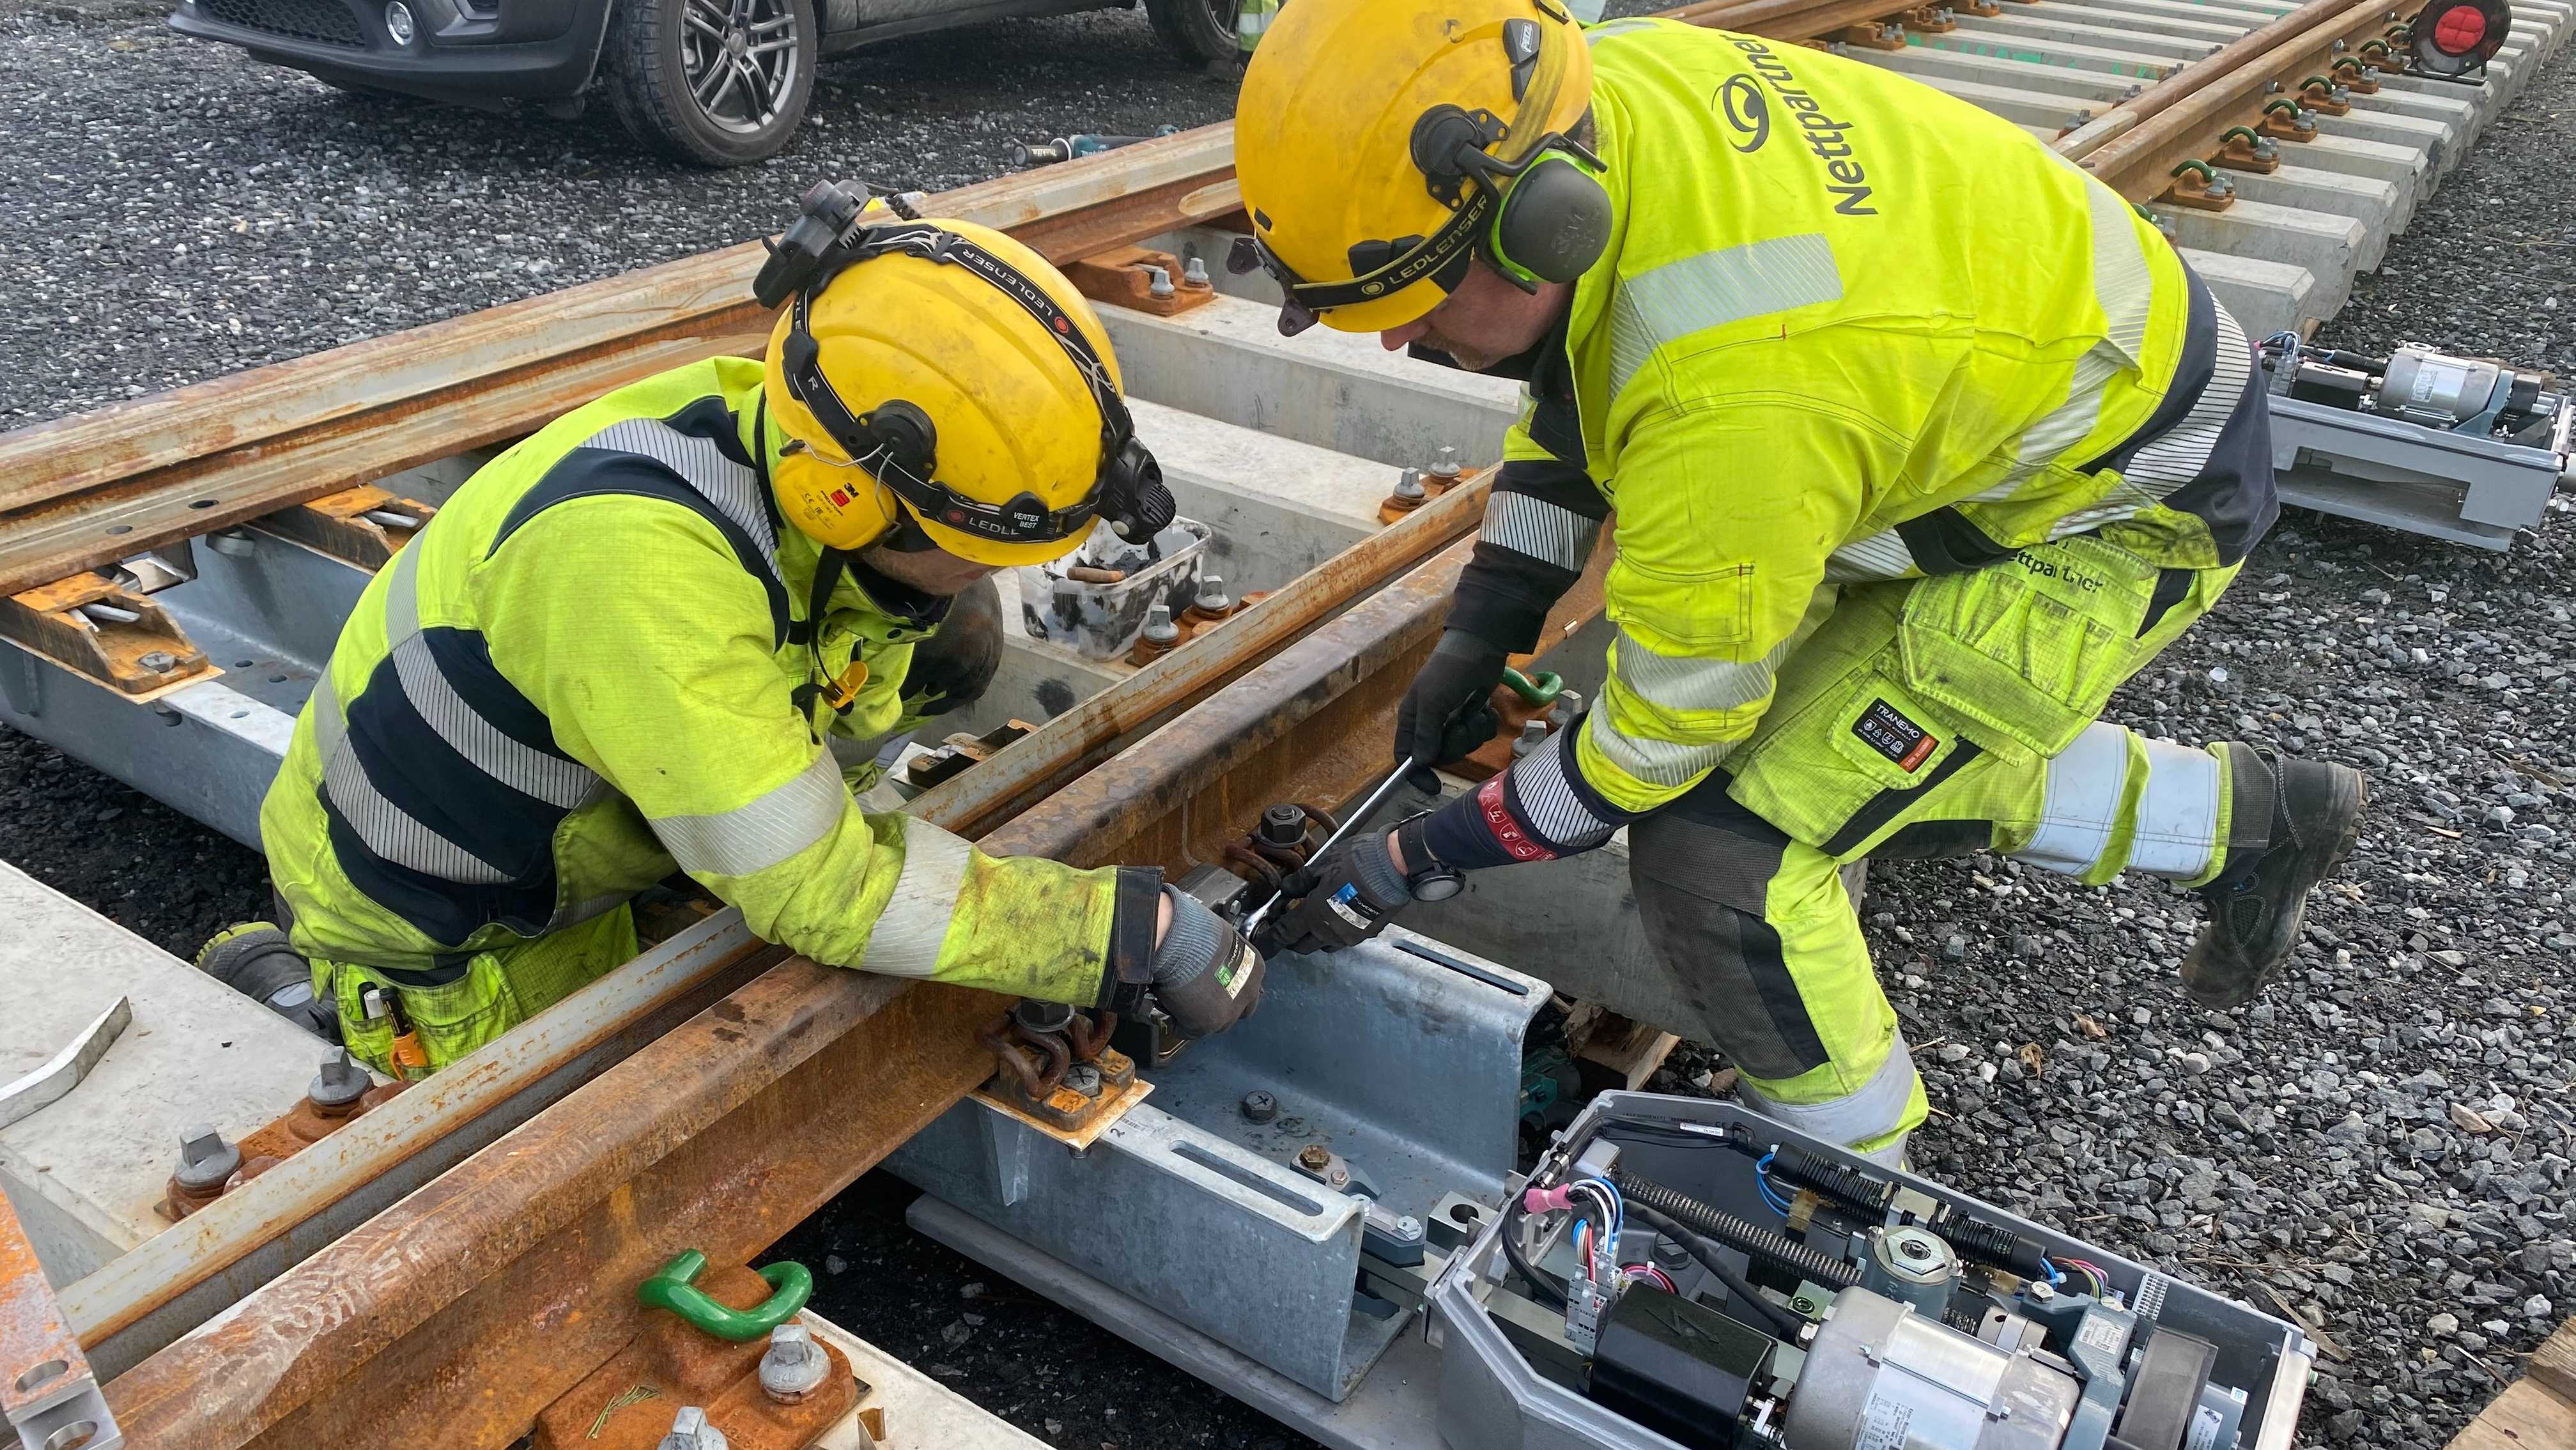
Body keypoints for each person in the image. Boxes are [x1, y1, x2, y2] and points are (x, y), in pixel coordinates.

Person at [1239, 1, 2363, 1164]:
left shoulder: (1730, 396)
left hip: (2119, 504)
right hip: (1983, 409)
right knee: (1837, 752)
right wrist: (1493, 617)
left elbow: (1649, 751)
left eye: (1414, 298)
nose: (1394, 340)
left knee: (1727, 853)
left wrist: (1417, 861)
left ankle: (1864, 1205)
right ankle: (2256, 824)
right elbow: (1578, 391)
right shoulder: (1593, 101)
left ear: (1546, 229)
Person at [196, 186, 1263, 1075]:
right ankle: (315, 1001)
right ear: (857, 503)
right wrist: (1128, 931)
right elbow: (820, 893)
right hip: (458, 924)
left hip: (575, 825)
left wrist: (870, 811)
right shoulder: (641, 570)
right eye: (974, 540)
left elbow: (830, 693)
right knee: (567, 1151)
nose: (994, 570)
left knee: (947, 639)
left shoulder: (795, 431)